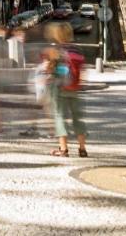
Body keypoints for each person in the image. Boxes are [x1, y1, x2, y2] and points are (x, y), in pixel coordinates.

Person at [44, 22, 88, 157]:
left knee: (60, 117)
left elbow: (49, 69)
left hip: (60, 89)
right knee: (78, 118)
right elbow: (83, 69)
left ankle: (63, 149)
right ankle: (82, 149)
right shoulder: (77, 50)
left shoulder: (56, 50)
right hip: (75, 88)